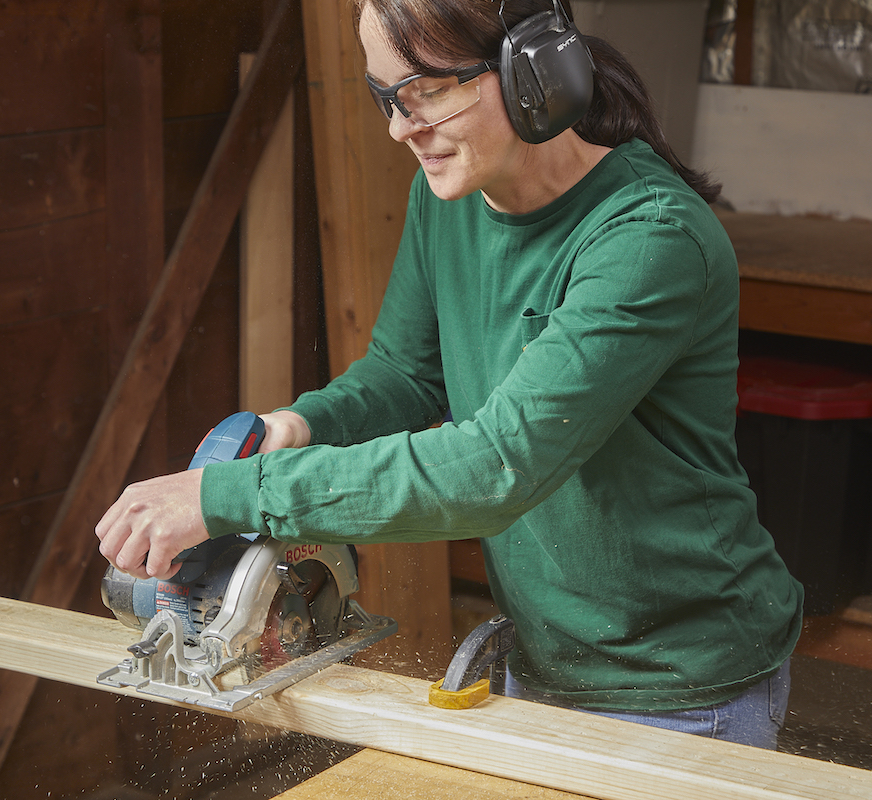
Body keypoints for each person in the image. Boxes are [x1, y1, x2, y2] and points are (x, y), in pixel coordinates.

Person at [96, 0, 803, 749]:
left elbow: (497, 466)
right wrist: (298, 427)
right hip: (542, 663)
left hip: (685, 686)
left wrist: (226, 496)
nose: (402, 127)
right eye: (385, 96)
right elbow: (406, 375)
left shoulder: (649, 238)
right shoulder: (452, 199)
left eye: (427, 92)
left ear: (536, 71)